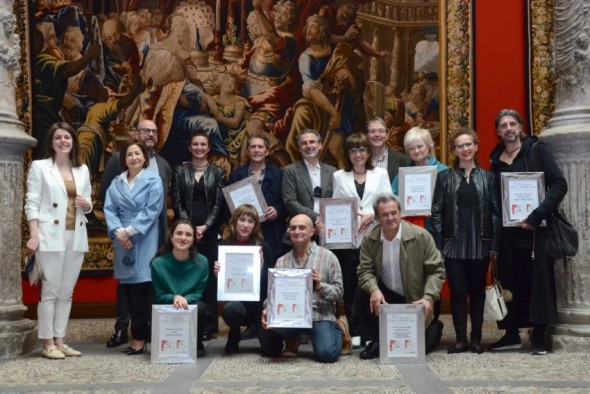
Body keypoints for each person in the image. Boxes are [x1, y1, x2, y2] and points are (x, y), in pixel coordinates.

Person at [489, 109, 568, 355]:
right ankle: (511, 334)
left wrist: (536, 215)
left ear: (521, 127)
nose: (508, 128)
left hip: (536, 232)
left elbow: (559, 184)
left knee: (538, 283)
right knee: (510, 283)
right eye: (503, 125)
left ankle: (538, 337)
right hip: (508, 234)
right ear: (498, 131)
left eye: (513, 124)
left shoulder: (537, 150)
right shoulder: (496, 160)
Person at [99, 119, 171, 349]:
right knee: (127, 286)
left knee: (142, 286)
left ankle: (139, 338)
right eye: (130, 154)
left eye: (138, 154)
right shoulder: (117, 182)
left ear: (144, 157)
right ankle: (126, 330)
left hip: (144, 235)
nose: (134, 158)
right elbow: (108, 207)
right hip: (122, 238)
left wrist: (129, 231)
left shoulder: (154, 179)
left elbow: (153, 210)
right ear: (124, 158)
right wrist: (119, 232)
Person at [25, 122, 93, 359]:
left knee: (66, 292)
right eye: (58, 137)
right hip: (49, 235)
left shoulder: (82, 169)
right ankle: (47, 343)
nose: (63, 141)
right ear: (51, 142)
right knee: (50, 290)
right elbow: (32, 203)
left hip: (75, 235)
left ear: (73, 141)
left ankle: (61, 341)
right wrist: (34, 235)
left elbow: (88, 202)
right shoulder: (40, 167)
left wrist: (87, 204)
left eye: (67, 137)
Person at [431, 128, 501, 354]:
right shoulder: (444, 177)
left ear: (476, 146)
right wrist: (442, 243)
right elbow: (437, 211)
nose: (465, 149)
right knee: (458, 293)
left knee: (478, 293)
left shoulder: (488, 177)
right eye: (460, 145)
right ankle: (460, 339)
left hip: (480, 245)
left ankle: (477, 339)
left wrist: (494, 245)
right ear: (454, 150)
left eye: (469, 144)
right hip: (453, 246)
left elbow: (496, 213)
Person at [356, 194, 445, 359]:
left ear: (400, 213)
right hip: (386, 298)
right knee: (362, 291)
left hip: (416, 299)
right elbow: (364, 271)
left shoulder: (421, 236)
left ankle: (434, 327)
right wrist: (374, 290)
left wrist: (428, 297)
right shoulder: (369, 239)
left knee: (414, 350)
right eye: (384, 214)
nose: (390, 218)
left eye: (394, 213)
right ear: (377, 217)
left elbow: (437, 271)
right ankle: (375, 340)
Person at [259, 214, 349, 363]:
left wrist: (320, 285)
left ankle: (338, 328)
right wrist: (267, 308)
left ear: (312, 231)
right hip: (291, 316)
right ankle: (293, 337)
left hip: (319, 314)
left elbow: (339, 292)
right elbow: (273, 294)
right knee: (270, 346)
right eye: (293, 228)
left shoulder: (329, 257)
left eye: (302, 227)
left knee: (327, 354)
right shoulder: (282, 261)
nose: (297, 231)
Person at [331, 133, 392, 349]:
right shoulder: (339, 176)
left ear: (368, 152)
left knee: (372, 285)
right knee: (350, 288)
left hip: (374, 238)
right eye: (353, 150)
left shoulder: (381, 174)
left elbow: (389, 204)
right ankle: (355, 331)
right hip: (348, 241)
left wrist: (373, 216)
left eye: (362, 150)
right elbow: (336, 207)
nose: (358, 154)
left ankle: (372, 331)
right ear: (348, 154)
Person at [172, 130, 227, 339]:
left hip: (210, 232)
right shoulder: (180, 171)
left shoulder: (219, 172)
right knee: (189, 276)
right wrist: (190, 228)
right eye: (195, 144)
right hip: (185, 234)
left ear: (208, 147)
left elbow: (219, 203)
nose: (199, 148)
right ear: (190, 146)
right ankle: (189, 321)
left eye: (203, 144)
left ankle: (210, 325)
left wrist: (205, 227)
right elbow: (176, 201)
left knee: (210, 278)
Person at [213, 204, 274, 354]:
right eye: (242, 220)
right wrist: (217, 275)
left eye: (251, 221)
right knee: (229, 310)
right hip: (239, 305)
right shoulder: (222, 247)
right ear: (234, 221)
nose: (246, 225)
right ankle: (234, 331)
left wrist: (260, 270)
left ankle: (257, 326)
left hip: (261, 306)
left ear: (255, 226)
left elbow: (272, 282)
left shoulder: (263, 247)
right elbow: (215, 285)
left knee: (271, 350)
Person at [150, 219, 208, 357]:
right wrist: (174, 297)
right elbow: (159, 294)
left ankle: (197, 343)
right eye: (179, 233)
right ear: (171, 237)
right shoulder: (157, 263)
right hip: (167, 305)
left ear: (194, 239)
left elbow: (199, 291)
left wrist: (185, 299)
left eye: (188, 235)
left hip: (191, 305)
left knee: (200, 307)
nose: (183, 238)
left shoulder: (202, 262)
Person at [228, 135, 286, 259]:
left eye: (260, 146)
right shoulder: (236, 175)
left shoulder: (279, 174)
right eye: (253, 147)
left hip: (272, 232)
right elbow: (228, 206)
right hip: (244, 232)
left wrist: (277, 210)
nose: (256, 150)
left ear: (267, 151)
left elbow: (287, 201)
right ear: (247, 151)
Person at [282, 129, 337, 238]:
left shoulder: (332, 171)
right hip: (300, 231)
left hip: (328, 230)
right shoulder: (290, 171)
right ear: (299, 149)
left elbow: (336, 200)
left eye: (312, 142)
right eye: (304, 143)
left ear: (320, 145)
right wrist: (316, 217)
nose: (308, 146)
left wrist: (325, 221)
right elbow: (290, 201)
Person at [366, 117, 409, 183]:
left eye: (381, 131)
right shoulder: (361, 160)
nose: (377, 135)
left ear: (387, 135)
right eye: (372, 131)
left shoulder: (402, 160)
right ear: (367, 135)